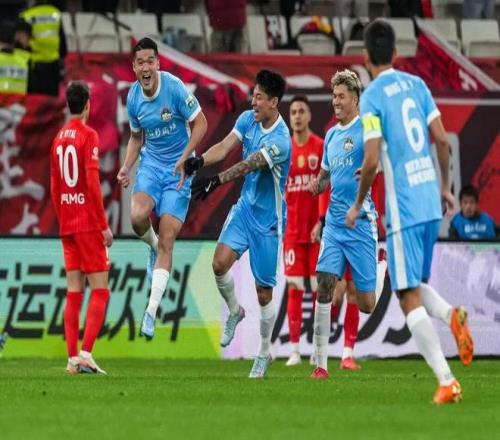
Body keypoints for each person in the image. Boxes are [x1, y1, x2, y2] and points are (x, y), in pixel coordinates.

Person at [346, 19, 474, 404]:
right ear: (396, 53)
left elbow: (371, 159)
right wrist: (445, 188)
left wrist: (357, 204)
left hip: (402, 209)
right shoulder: (418, 85)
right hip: (430, 202)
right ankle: (452, 316)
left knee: (405, 296)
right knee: (412, 284)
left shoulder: (371, 97)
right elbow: (442, 141)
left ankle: (447, 380)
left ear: (365, 57)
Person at [185, 69, 290, 378]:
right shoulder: (247, 119)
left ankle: (264, 353)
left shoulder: (281, 140)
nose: (253, 102)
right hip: (245, 211)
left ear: (274, 102)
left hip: (268, 223)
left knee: (263, 292)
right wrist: (200, 161)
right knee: (219, 264)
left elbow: (249, 164)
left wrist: (215, 180)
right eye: (253, 96)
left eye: (259, 97)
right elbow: (224, 146)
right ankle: (235, 310)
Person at [117, 37, 207, 341]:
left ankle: (150, 312)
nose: (145, 67)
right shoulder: (133, 98)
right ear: (134, 67)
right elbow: (136, 138)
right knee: (137, 217)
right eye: (140, 63)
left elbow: (201, 123)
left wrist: (185, 157)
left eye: (150, 61)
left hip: (179, 171)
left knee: (169, 236)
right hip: (152, 167)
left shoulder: (175, 87)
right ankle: (152, 247)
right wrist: (126, 166)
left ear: (158, 63)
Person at [307, 69, 386, 379]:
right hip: (335, 226)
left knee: (366, 304)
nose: (336, 101)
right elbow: (326, 175)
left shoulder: (368, 126)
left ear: (355, 99)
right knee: (324, 285)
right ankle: (321, 365)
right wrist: (317, 184)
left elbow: (380, 159)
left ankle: (381, 266)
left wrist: (373, 167)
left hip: (362, 224)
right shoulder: (331, 135)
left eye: (341, 96)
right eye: (334, 96)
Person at [50, 81, 112, 374]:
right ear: (88, 104)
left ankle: (72, 358)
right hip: (87, 223)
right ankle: (86, 353)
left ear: (68, 105)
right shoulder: (89, 136)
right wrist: (103, 225)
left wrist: (64, 216)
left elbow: (54, 186)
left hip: (67, 224)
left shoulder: (58, 139)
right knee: (100, 290)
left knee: (74, 290)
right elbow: (91, 183)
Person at [282, 96, 324, 367]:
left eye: (301, 111)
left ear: (309, 116)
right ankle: (295, 350)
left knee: (321, 290)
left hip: (316, 231)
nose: (297, 116)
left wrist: (322, 220)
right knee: (294, 288)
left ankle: (318, 349)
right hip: (292, 232)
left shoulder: (320, 147)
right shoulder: (284, 149)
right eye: (293, 112)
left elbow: (327, 188)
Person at [20, 0, 67, 96]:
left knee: (36, 99)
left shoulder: (26, 15)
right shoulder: (55, 12)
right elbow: (61, 38)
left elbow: (21, 44)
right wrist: (62, 57)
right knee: (52, 99)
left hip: (35, 65)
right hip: (53, 65)